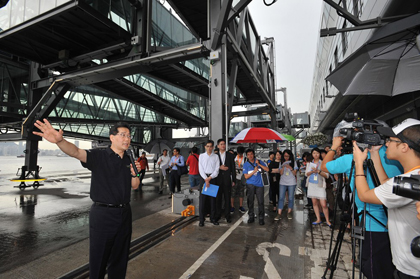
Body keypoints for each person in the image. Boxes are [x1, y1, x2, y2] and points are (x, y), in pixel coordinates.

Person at [33, 119, 140, 279]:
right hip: (103, 214)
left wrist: (134, 172)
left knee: (120, 259)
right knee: (99, 260)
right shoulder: (99, 156)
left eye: (129, 136)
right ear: (112, 137)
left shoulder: (129, 159)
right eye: (123, 135)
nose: (127, 139)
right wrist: (60, 141)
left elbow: (135, 185)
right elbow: (76, 151)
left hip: (125, 213)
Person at [321, 135, 403, 279]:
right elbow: (384, 183)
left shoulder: (350, 159)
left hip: (372, 224)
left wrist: (334, 147)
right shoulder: (397, 157)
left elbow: (324, 166)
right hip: (399, 224)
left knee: (374, 269)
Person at [351, 118, 420, 279]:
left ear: (404, 147)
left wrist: (359, 163)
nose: (386, 143)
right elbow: (384, 183)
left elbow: (364, 195)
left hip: (411, 271)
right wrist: (375, 153)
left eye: (391, 140)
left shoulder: (408, 182)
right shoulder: (410, 178)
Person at [306, 148, 331, 226]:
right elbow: (306, 174)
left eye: (317, 153)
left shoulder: (323, 163)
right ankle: (318, 219)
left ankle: (327, 220)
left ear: (319, 154)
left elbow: (327, 175)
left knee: (323, 204)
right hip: (312, 184)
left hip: (320, 185)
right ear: (312, 154)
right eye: (314, 153)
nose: (315, 155)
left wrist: (318, 171)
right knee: (314, 203)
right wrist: (312, 171)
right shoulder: (309, 163)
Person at [243, 148, 269, 225]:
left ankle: (261, 218)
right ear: (247, 156)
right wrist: (254, 171)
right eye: (248, 155)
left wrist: (259, 164)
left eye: (251, 154)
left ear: (254, 154)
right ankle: (251, 216)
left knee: (260, 201)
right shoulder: (246, 164)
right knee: (250, 201)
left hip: (259, 185)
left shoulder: (259, 162)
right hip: (250, 184)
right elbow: (246, 177)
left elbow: (267, 169)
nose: (250, 156)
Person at [198, 140, 220, 226]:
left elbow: (217, 170)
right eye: (208, 146)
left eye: (211, 146)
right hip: (203, 178)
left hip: (213, 178)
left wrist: (210, 178)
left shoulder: (216, 157)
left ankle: (213, 218)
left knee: (212, 200)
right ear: (205, 147)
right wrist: (206, 179)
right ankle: (201, 220)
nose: (209, 148)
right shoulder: (201, 156)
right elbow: (200, 169)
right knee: (202, 200)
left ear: (213, 147)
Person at [215, 139, 236, 223]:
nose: (223, 145)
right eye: (221, 144)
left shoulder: (230, 156)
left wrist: (234, 180)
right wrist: (220, 167)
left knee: (227, 198)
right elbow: (212, 167)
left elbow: (233, 169)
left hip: (227, 180)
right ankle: (218, 215)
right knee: (218, 199)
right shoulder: (215, 156)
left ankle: (228, 216)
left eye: (224, 144)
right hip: (217, 180)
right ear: (218, 146)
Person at [275, 149, 298, 220]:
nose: (286, 158)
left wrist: (290, 168)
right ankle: (279, 213)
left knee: (290, 198)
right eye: (285, 156)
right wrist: (282, 167)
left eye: (288, 156)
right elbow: (281, 173)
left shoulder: (294, 163)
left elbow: (295, 173)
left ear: (290, 156)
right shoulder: (281, 163)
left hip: (291, 182)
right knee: (281, 198)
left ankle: (289, 212)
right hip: (283, 182)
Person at [231, 146, 246, 214]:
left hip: (242, 178)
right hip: (235, 177)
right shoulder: (234, 158)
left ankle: (241, 206)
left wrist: (243, 169)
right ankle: (232, 206)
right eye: (239, 153)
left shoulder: (245, 159)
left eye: (241, 153)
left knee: (241, 192)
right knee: (233, 193)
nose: (240, 155)